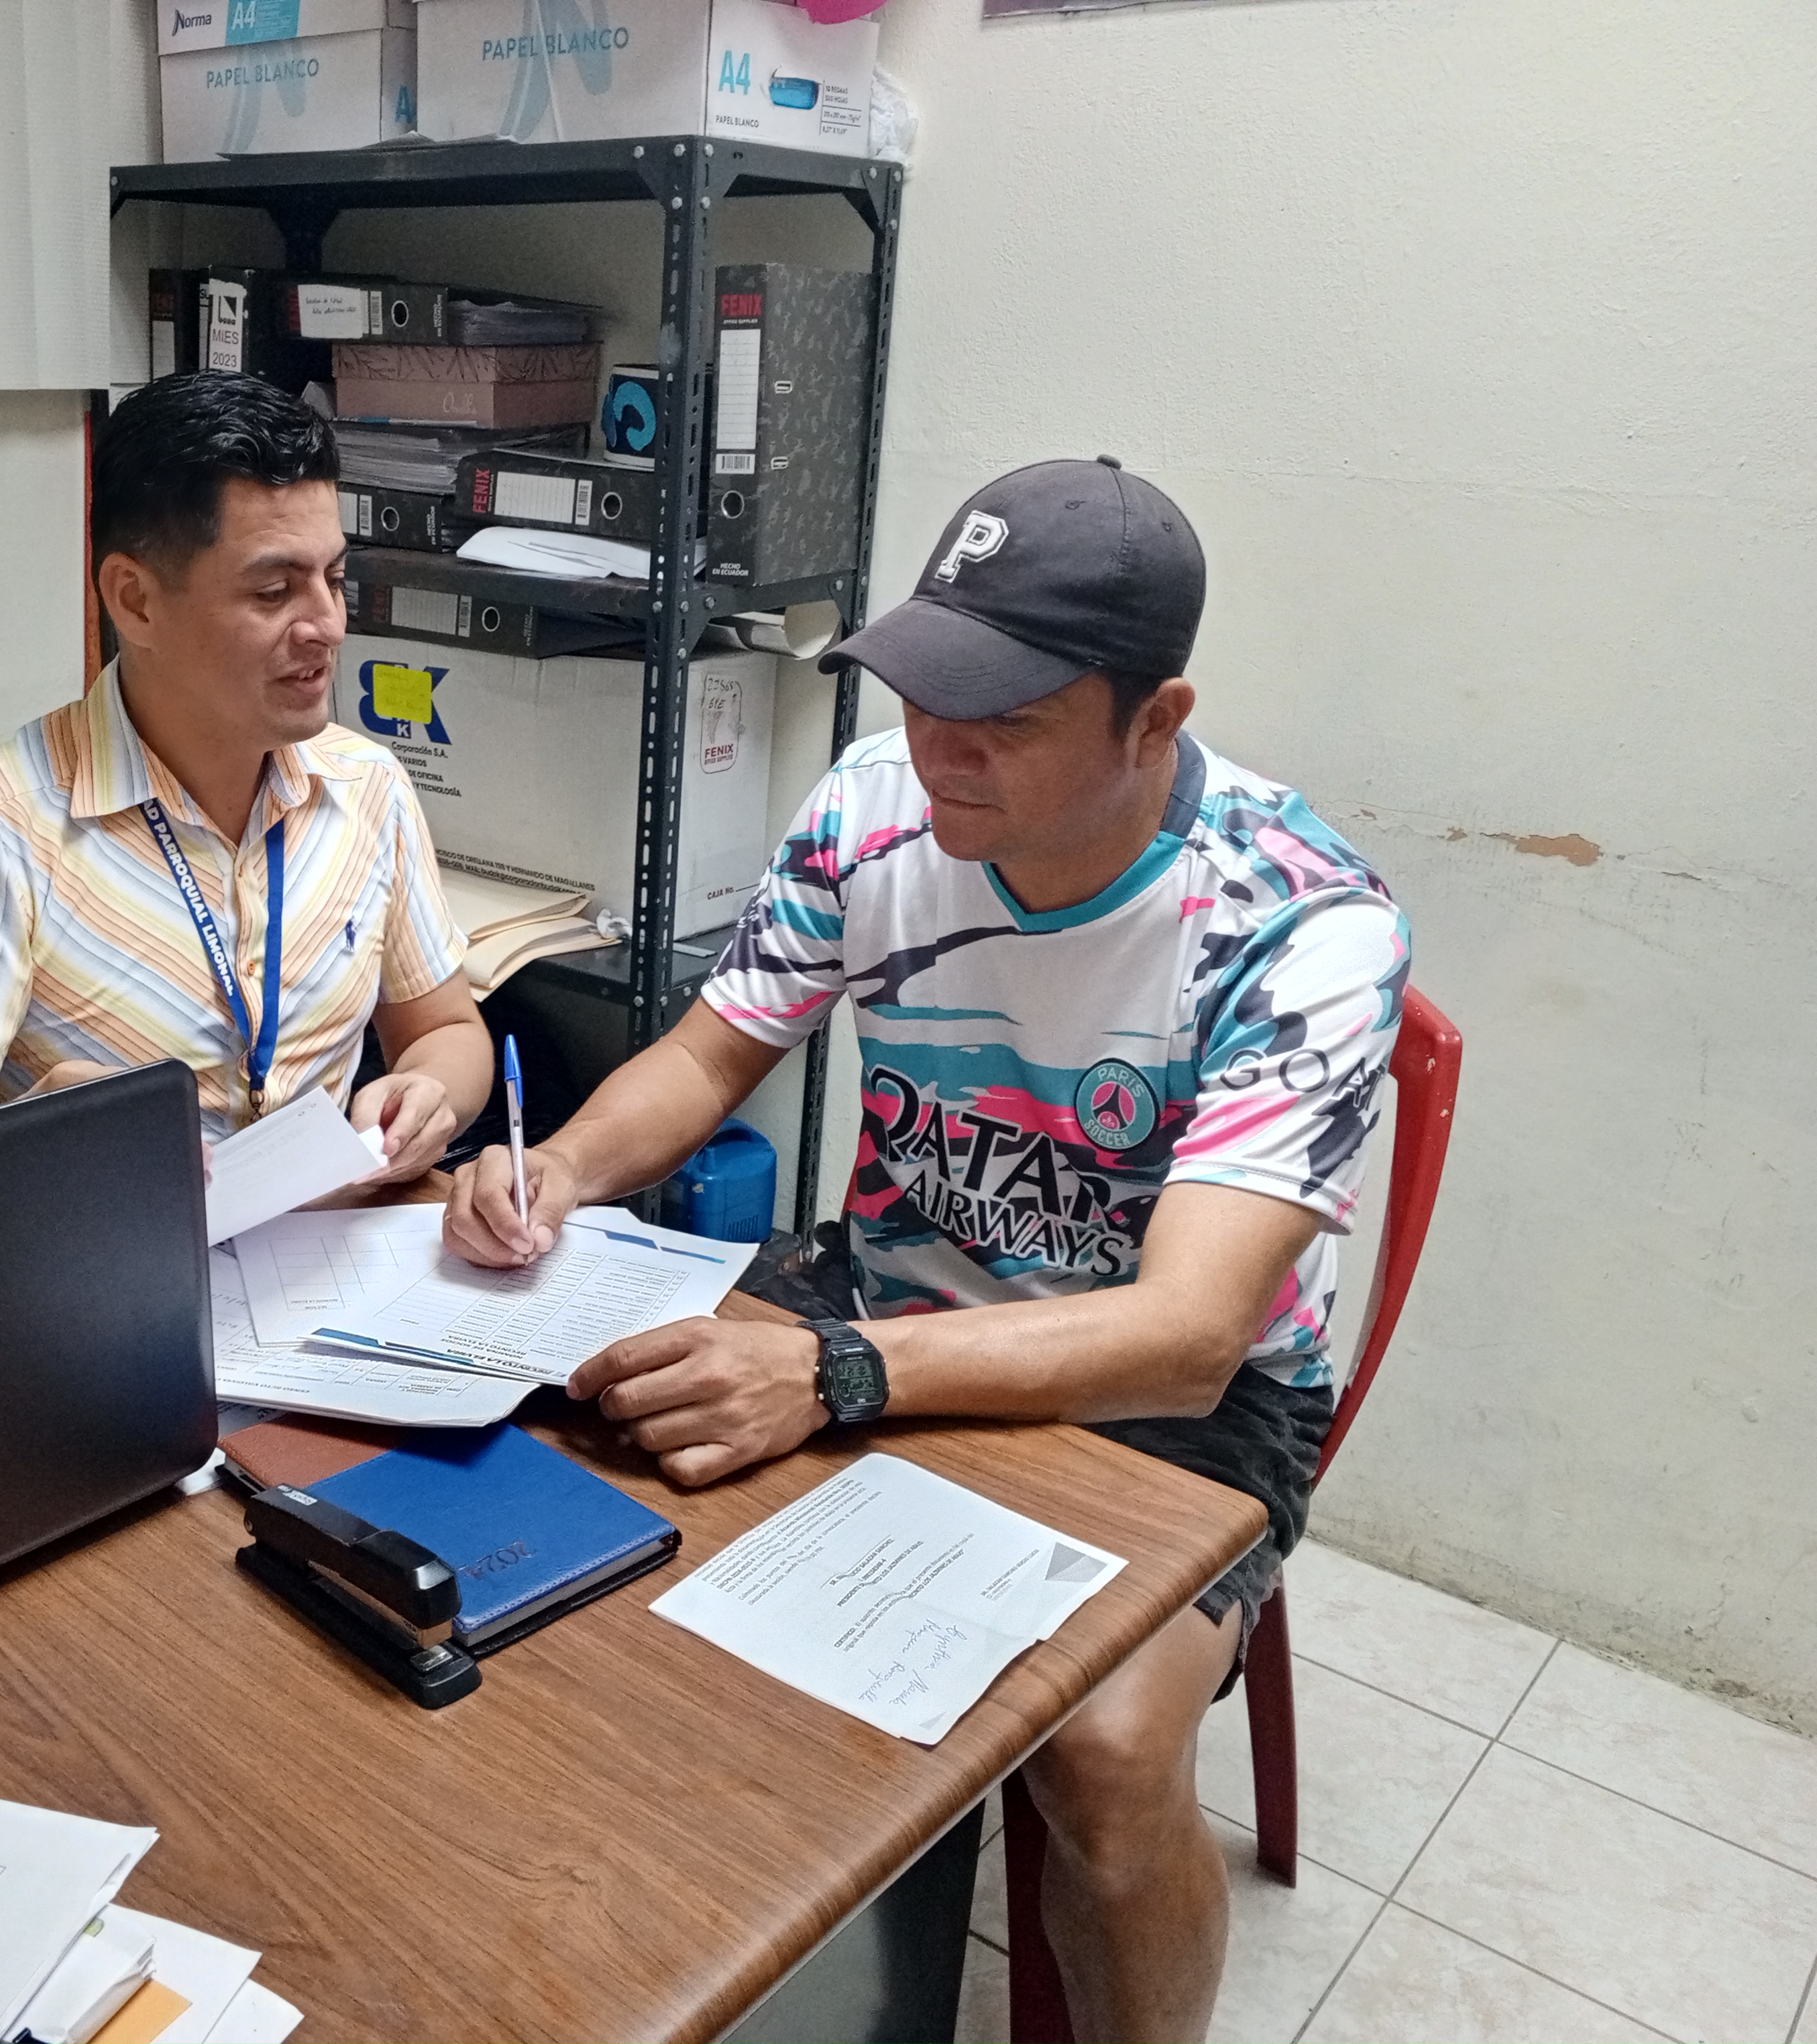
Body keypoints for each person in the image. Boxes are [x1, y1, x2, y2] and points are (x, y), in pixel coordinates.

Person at [444, 457, 1408, 2044]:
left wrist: (830, 1373)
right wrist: (553, 1172)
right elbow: (707, 1057)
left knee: (1102, 1758)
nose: (939, 752)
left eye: (1006, 719)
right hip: (891, 1292)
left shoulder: (1295, 924)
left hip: (1175, 1399)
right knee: (577, 1467)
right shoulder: (872, 805)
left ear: (1154, 721)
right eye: (922, 693)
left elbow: (1184, 1334)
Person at [0, 372, 491, 1168]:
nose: (326, 625)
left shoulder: (367, 787)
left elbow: (447, 1031)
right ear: (135, 601)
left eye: (334, 578)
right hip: (109, 1240)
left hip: (333, 1232)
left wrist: (429, 1090)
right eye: (274, 591)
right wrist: (34, 1136)